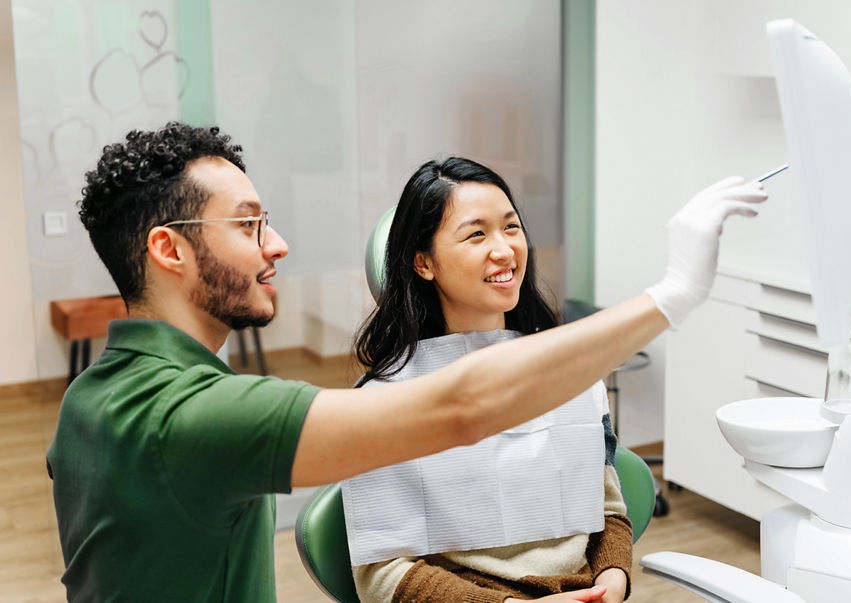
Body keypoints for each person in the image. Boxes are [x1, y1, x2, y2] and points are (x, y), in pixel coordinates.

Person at [46, 122, 765, 602]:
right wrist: (673, 294)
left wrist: (608, 571)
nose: (278, 245)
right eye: (248, 224)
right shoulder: (193, 416)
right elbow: (463, 408)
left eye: (510, 227)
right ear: (169, 249)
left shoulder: (91, 398)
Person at [347, 157, 634, 603]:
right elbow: (380, 576)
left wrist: (613, 580)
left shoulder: (567, 371)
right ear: (424, 262)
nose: (504, 250)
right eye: (476, 234)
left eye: (511, 227)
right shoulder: (385, 401)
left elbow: (608, 512)